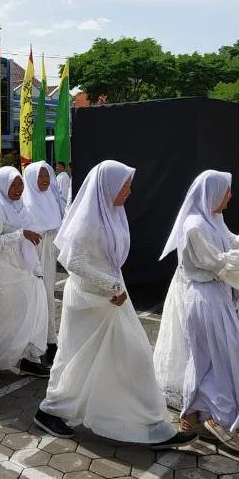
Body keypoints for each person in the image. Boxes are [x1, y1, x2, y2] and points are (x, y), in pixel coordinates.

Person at [33, 160, 198, 450]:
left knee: (133, 356)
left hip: (111, 299)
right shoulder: (90, 219)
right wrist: (112, 285)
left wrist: (115, 286)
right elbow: (72, 261)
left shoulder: (113, 213)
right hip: (88, 302)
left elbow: (110, 261)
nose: (129, 191)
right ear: (107, 186)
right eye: (125, 185)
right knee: (76, 362)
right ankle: (50, 411)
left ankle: (151, 425)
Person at [153, 170, 239, 454]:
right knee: (219, 359)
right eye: (226, 191)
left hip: (217, 296)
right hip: (205, 298)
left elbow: (231, 243)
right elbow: (216, 261)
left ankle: (193, 417)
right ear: (212, 192)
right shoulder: (194, 226)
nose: (230, 196)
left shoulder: (212, 219)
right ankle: (214, 419)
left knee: (213, 360)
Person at [0, 167, 49, 377]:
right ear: (2, 185)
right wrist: (21, 234)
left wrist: (36, 268)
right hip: (1, 271)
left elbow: (30, 238)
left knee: (30, 311)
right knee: (1, 316)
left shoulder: (22, 207)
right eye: (12, 184)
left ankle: (29, 358)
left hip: (22, 268)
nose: (17, 189)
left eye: (20, 184)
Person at [22, 161, 66, 365]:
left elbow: (56, 228)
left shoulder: (50, 200)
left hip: (48, 255)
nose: (45, 180)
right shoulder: (25, 203)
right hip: (31, 255)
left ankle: (50, 340)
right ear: (31, 178)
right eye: (40, 176)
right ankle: (32, 344)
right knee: (34, 299)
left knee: (48, 297)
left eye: (47, 176)